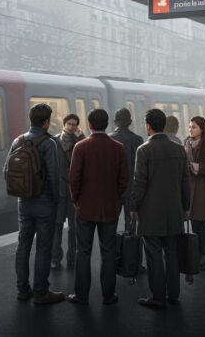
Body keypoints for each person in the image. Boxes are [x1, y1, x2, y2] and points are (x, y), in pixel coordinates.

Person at [129, 109, 191, 309]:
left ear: (148, 125)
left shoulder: (144, 150)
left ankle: (157, 296)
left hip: (150, 211)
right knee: (172, 252)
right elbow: (185, 181)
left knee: (154, 254)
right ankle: (174, 295)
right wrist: (186, 206)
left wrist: (134, 206)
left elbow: (140, 182)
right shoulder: (178, 149)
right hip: (174, 209)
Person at [66, 109, 127, 306]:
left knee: (82, 252)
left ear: (90, 125)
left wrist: (76, 200)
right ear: (107, 124)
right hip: (109, 208)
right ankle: (108, 296)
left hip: (85, 208)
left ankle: (81, 296)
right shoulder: (118, 148)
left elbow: (74, 179)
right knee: (108, 252)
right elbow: (123, 180)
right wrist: (115, 198)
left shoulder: (81, 147)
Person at [6, 103, 65, 305]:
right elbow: (54, 176)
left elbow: (6, 171)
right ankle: (41, 292)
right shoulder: (49, 144)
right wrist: (56, 200)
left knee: (23, 246)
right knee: (43, 248)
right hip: (44, 203)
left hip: (24, 202)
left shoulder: (18, 141)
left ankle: (22, 289)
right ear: (47, 122)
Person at [51, 114, 85, 270]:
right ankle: (55, 258)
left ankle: (72, 257)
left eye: (74, 124)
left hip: (74, 191)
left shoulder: (80, 142)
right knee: (57, 227)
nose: (71, 127)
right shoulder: (54, 141)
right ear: (63, 124)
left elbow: (86, 158)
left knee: (74, 227)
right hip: (59, 190)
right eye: (69, 124)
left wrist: (82, 136)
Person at [184, 116, 205, 271]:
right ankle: (197, 255)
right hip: (190, 190)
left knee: (202, 225)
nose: (190, 129)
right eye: (190, 126)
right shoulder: (186, 143)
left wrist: (193, 166)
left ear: (202, 129)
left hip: (203, 191)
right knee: (195, 224)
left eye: (194, 127)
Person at [109, 108, 144, 231]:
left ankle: (113, 248)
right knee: (131, 224)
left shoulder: (109, 139)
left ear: (115, 122)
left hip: (113, 189)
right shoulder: (138, 140)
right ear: (130, 122)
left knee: (110, 223)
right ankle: (130, 248)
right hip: (132, 189)